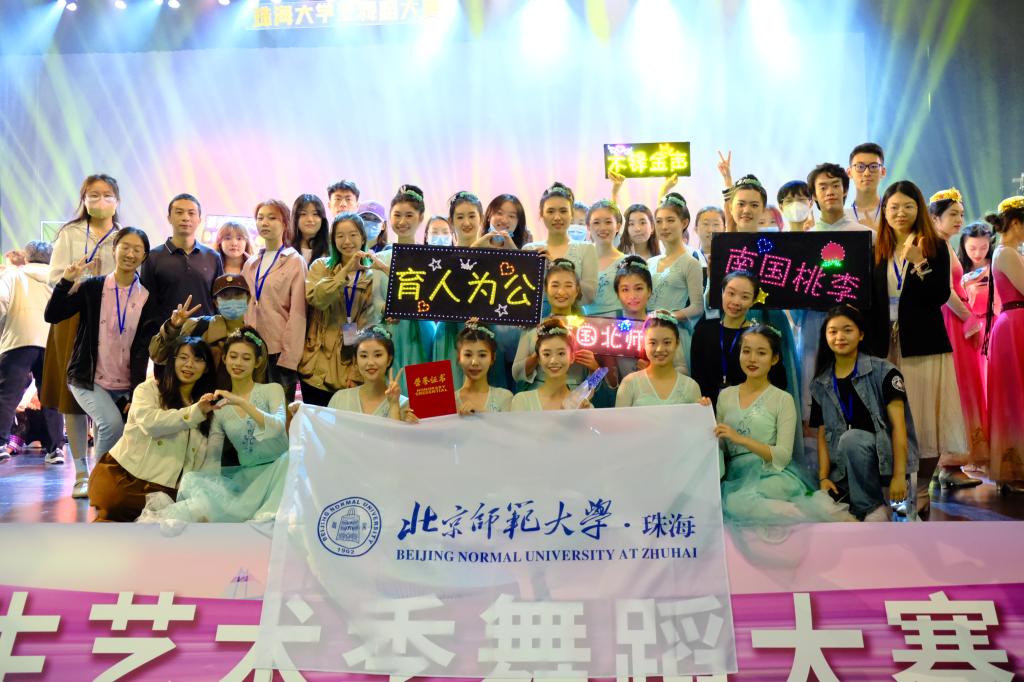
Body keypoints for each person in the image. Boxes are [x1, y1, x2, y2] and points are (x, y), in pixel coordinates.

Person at [866, 180, 968, 518]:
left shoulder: (934, 245)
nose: (900, 213)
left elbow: (940, 295)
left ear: (919, 209)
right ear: (884, 211)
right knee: (888, 419)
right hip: (884, 346)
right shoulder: (876, 248)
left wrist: (920, 263)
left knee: (925, 421)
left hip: (923, 344)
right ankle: (891, 489)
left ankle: (922, 489)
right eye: (893, 207)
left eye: (908, 206)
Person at [45, 228, 154, 501]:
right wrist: (65, 281)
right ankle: (96, 482)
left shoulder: (146, 296)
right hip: (88, 377)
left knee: (123, 431)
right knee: (111, 425)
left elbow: (143, 348)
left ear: (144, 256)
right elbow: (53, 314)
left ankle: (107, 481)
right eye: (125, 247)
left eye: (137, 249)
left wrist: (136, 390)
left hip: (125, 382)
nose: (130, 254)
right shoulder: (93, 287)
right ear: (114, 249)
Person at [138, 327, 289, 523]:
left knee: (290, 460)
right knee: (194, 487)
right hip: (247, 481)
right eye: (233, 356)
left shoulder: (272, 390)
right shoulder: (220, 408)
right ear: (224, 358)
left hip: (281, 472)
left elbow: (277, 427)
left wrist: (241, 402)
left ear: (257, 362)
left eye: (246, 358)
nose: (238, 363)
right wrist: (203, 492)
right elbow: (213, 459)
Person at [716, 325, 855, 528]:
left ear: (774, 359)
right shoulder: (725, 396)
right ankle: (802, 512)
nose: (752, 359)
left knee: (743, 501)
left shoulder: (782, 399)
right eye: (746, 351)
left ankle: (804, 511)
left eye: (761, 353)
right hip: (737, 479)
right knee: (734, 503)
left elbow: (782, 456)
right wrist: (701, 412)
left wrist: (741, 439)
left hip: (772, 475)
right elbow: (719, 447)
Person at [42, 174, 121, 495]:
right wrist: (77, 277)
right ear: (84, 199)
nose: (100, 201)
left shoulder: (122, 236)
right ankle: (80, 473)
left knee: (108, 394)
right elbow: (53, 277)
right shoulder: (70, 233)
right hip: (72, 319)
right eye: (93, 195)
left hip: (110, 320)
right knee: (71, 397)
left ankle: (102, 467)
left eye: (107, 195)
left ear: (117, 200)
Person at [87, 337, 219, 522]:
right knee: (116, 514)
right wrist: (194, 412)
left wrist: (200, 497)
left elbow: (207, 458)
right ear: (172, 361)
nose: (189, 364)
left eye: (198, 360)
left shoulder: (208, 406)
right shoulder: (149, 389)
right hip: (125, 478)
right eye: (183, 357)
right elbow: (151, 424)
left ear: (206, 368)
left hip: (167, 490)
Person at [810, 305, 918, 521]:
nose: (839, 337)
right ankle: (868, 509)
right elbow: (822, 433)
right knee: (817, 509)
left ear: (861, 334)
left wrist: (899, 475)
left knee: (852, 439)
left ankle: (872, 509)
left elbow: (899, 427)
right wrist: (823, 478)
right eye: (833, 331)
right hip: (844, 467)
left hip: (886, 463)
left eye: (847, 330)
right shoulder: (821, 383)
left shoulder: (885, 372)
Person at [299, 212, 386, 406]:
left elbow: (368, 326)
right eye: (340, 236)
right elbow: (317, 299)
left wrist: (356, 373)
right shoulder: (321, 267)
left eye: (353, 235)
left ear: (362, 238)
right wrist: (346, 271)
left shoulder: (371, 276)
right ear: (333, 240)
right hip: (314, 364)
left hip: (347, 369)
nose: (347, 241)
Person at [930, 189, 986, 480]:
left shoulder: (946, 244)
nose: (959, 220)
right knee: (958, 385)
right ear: (935, 217)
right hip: (952, 320)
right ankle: (950, 461)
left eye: (961, 214)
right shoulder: (936, 245)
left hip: (958, 318)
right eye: (952, 214)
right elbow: (945, 290)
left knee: (965, 383)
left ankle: (955, 461)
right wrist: (969, 318)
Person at [139, 194, 224, 379]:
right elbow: (148, 307)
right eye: (179, 212)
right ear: (169, 218)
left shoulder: (213, 257)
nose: (186, 217)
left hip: (204, 345)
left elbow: (218, 302)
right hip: (168, 344)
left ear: (199, 219)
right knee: (168, 393)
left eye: (191, 213)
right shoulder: (153, 257)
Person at [0, 241, 64, 463]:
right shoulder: (57, 280)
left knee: (8, 395)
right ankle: (55, 449)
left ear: (26, 258)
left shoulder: (13, 276)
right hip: (51, 343)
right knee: (51, 397)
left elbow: (1, 303)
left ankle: (0, 443)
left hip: (18, 339)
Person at [242, 199, 307, 402]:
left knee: (279, 411)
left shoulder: (294, 261)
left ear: (285, 223)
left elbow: (298, 313)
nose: (264, 223)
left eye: (272, 218)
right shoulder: (251, 263)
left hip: (279, 352)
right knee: (251, 407)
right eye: (260, 218)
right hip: (250, 348)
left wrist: (289, 357)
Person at [690, 271, 787, 407]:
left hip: (751, 409)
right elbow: (697, 376)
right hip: (708, 407)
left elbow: (779, 381)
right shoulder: (703, 331)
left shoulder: (762, 336)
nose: (736, 302)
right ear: (722, 292)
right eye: (731, 293)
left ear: (753, 300)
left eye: (745, 297)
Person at [149, 274, 265, 387]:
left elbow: (258, 381)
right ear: (216, 302)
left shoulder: (254, 340)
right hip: (193, 397)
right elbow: (158, 356)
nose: (232, 301)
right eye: (225, 296)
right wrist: (173, 327)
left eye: (238, 295)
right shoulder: (197, 327)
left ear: (248, 299)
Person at [983, 196, 1024, 494]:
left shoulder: (1008, 252)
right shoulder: (1007, 253)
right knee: (1014, 395)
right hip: (1015, 325)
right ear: (1016, 223)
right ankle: (1014, 466)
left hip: (1015, 323)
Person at [512, 259, 596, 391]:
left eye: (568, 285)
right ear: (546, 289)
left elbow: (596, 383)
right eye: (555, 285)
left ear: (577, 290)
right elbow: (516, 374)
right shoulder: (533, 326)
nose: (561, 292)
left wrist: (594, 368)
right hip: (538, 395)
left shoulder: (589, 330)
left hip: (575, 398)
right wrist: (538, 354)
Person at [646, 193, 705, 367]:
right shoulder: (650, 263)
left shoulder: (691, 263)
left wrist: (669, 317)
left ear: (684, 223)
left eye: (670, 220)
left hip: (674, 335)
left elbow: (697, 307)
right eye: (659, 221)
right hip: (648, 334)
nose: (664, 226)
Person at [524, 183, 598, 304]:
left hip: (573, 315)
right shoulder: (530, 250)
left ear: (571, 214)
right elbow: (524, 293)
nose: (557, 217)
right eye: (550, 211)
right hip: (539, 316)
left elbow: (589, 296)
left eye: (563, 211)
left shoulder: (586, 249)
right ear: (542, 214)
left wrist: (556, 268)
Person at [616, 311, 708, 408]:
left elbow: (696, 418)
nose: (659, 349)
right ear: (643, 344)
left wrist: (704, 409)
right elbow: (619, 417)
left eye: (667, 342)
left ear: (677, 343)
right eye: (653, 343)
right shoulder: (630, 383)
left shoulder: (691, 387)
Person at [327, 325, 414, 421]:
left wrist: (394, 406)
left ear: (389, 360)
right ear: (355, 361)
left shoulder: (404, 405)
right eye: (364, 356)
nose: (371, 362)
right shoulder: (339, 399)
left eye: (378, 355)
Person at [510, 319, 594, 411]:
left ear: (572, 357)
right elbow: (517, 373)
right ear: (539, 358)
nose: (553, 361)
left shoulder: (583, 407)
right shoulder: (522, 401)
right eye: (546, 354)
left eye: (561, 353)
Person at [455, 323, 513, 414]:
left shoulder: (504, 398)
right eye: (468, 355)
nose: (475, 362)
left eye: (482, 355)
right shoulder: (448, 400)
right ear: (459, 357)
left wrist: (481, 414)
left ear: (492, 358)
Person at [583, 200, 626, 316]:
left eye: (608, 222)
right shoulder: (580, 259)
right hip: (584, 323)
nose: (602, 228)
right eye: (596, 222)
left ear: (618, 226)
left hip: (618, 323)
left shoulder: (626, 263)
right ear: (588, 227)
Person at [807, 164, 874, 234]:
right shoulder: (806, 238)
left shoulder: (869, 236)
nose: (830, 192)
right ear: (814, 195)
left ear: (845, 190)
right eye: (823, 188)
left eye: (835, 186)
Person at [845, 142, 888, 232]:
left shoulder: (892, 212)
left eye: (873, 166)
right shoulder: (842, 214)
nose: (867, 173)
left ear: (883, 172)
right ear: (849, 172)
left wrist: (876, 231)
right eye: (860, 167)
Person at [292, 194, 331, 265]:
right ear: (295, 218)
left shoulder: (331, 249)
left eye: (315, 214)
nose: (310, 219)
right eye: (303, 214)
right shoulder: (286, 249)